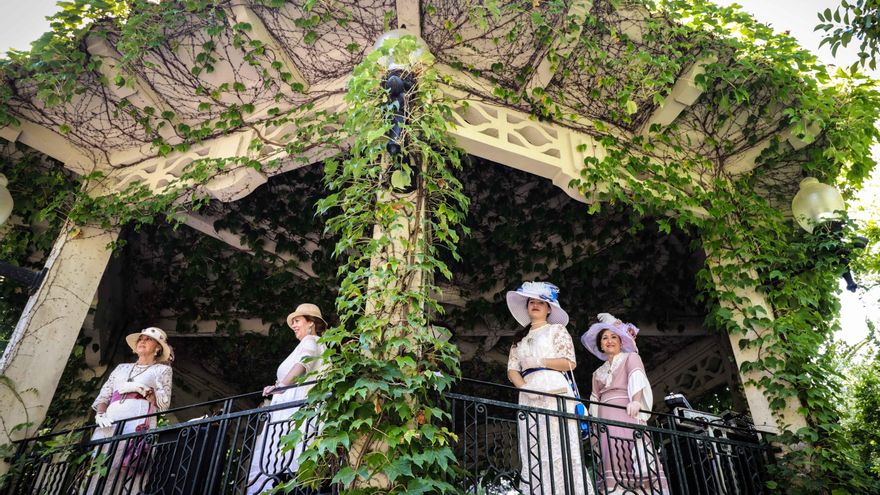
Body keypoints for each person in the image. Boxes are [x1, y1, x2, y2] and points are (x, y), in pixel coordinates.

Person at [506, 282, 592, 495]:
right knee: (533, 444)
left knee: (560, 443)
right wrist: (524, 388)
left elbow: (569, 362)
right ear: (527, 307)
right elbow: (512, 369)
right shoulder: (519, 340)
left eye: (540, 302)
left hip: (555, 388)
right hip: (528, 392)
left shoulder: (557, 330)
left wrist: (540, 361)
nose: (535, 305)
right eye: (531, 302)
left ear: (548, 308)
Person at [246, 303, 327, 495]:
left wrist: (281, 386)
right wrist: (278, 385)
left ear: (311, 323)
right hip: (290, 412)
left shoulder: (310, 340)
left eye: (298, 321)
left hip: (294, 412)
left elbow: (303, 365)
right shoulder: (311, 343)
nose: (294, 325)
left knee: (288, 461)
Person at [581, 314, 668, 494]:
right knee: (611, 456)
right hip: (605, 419)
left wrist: (636, 402)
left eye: (614, 337)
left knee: (633, 452)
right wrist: (594, 427)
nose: (609, 341)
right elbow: (595, 400)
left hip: (626, 411)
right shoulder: (597, 373)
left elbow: (636, 376)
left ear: (621, 341)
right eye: (605, 338)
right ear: (600, 344)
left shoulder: (631, 358)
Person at [88, 327, 174, 493]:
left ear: (157, 348)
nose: (142, 341)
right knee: (99, 468)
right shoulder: (121, 368)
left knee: (126, 469)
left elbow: (164, 403)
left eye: (147, 339)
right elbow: (104, 396)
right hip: (110, 422)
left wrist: (145, 390)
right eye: (140, 339)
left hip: (136, 421)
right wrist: (100, 414)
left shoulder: (162, 370)